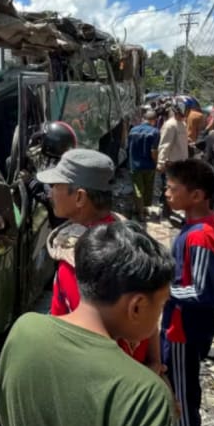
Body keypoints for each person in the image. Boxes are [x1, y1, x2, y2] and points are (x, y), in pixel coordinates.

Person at [0, 221, 176, 426]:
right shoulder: (147, 397)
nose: (159, 316)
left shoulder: (24, 330)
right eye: (162, 304)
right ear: (137, 306)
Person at [39, 148, 164, 371]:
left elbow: (94, 345)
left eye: (56, 186)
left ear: (79, 197)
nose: (50, 193)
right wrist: (154, 362)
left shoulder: (85, 263)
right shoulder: (127, 234)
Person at [161, 159, 214, 426]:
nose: (166, 193)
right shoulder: (201, 224)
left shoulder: (199, 235)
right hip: (181, 326)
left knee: (181, 396)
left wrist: (161, 291)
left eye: (172, 188)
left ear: (197, 195)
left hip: (182, 330)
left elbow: (201, 292)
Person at [157, 98, 190, 218]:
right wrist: (161, 163)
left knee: (175, 188)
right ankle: (165, 213)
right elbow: (164, 145)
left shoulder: (182, 123)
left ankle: (169, 210)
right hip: (171, 163)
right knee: (168, 188)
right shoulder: (170, 125)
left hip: (180, 162)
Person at [128, 109, 160, 220]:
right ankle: (144, 210)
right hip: (149, 165)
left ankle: (140, 211)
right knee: (148, 188)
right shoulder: (155, 132)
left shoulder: (132, 130)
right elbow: (153, 151)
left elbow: (128, 147)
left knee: (138, 189)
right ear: (154, 120)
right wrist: (156, 163)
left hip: (135, 165)